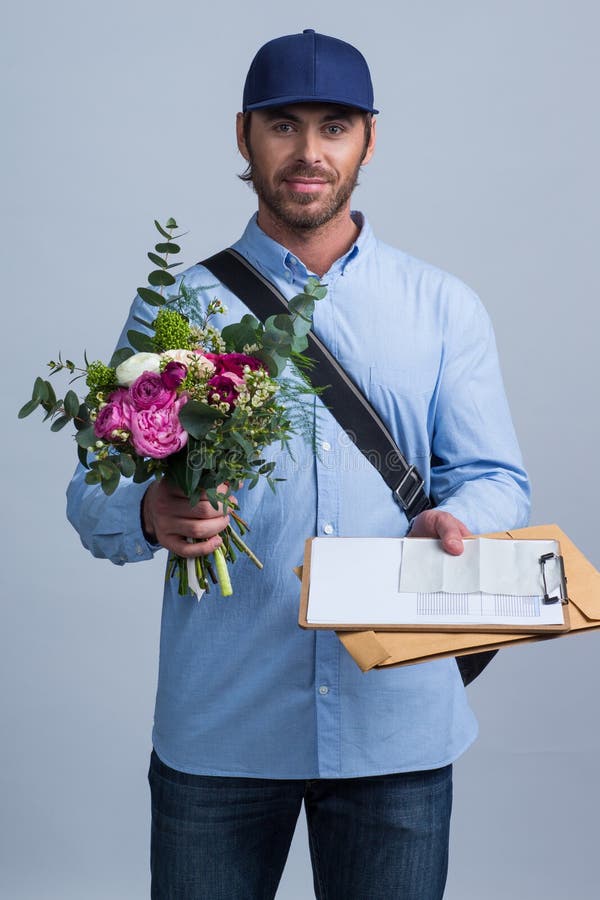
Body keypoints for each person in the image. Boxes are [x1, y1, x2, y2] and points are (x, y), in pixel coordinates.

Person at [67, 28, 530, 900]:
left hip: (396, 724)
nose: (309, 152)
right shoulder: (176, 306)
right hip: (221, 729)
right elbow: (89, 493)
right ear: (243, 135)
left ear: (369, 139)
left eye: (335, 125)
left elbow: (498, 477)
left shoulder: (442, 306)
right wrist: (146, 513)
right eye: (284, 126)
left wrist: (462, 521)